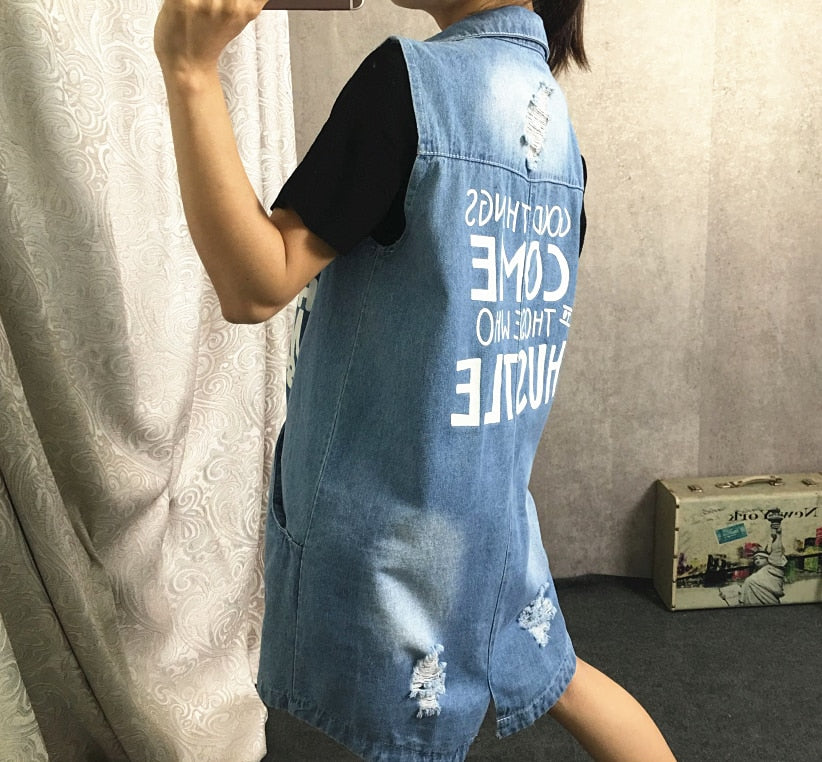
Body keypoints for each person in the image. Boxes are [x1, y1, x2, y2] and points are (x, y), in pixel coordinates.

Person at [154, 1, 678, 760]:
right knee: (561, 676)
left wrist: (191, 70)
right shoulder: (559, 133)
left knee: (409, 732)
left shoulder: (408, 85)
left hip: (395, 523)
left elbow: (255, 284)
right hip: (495, 509)